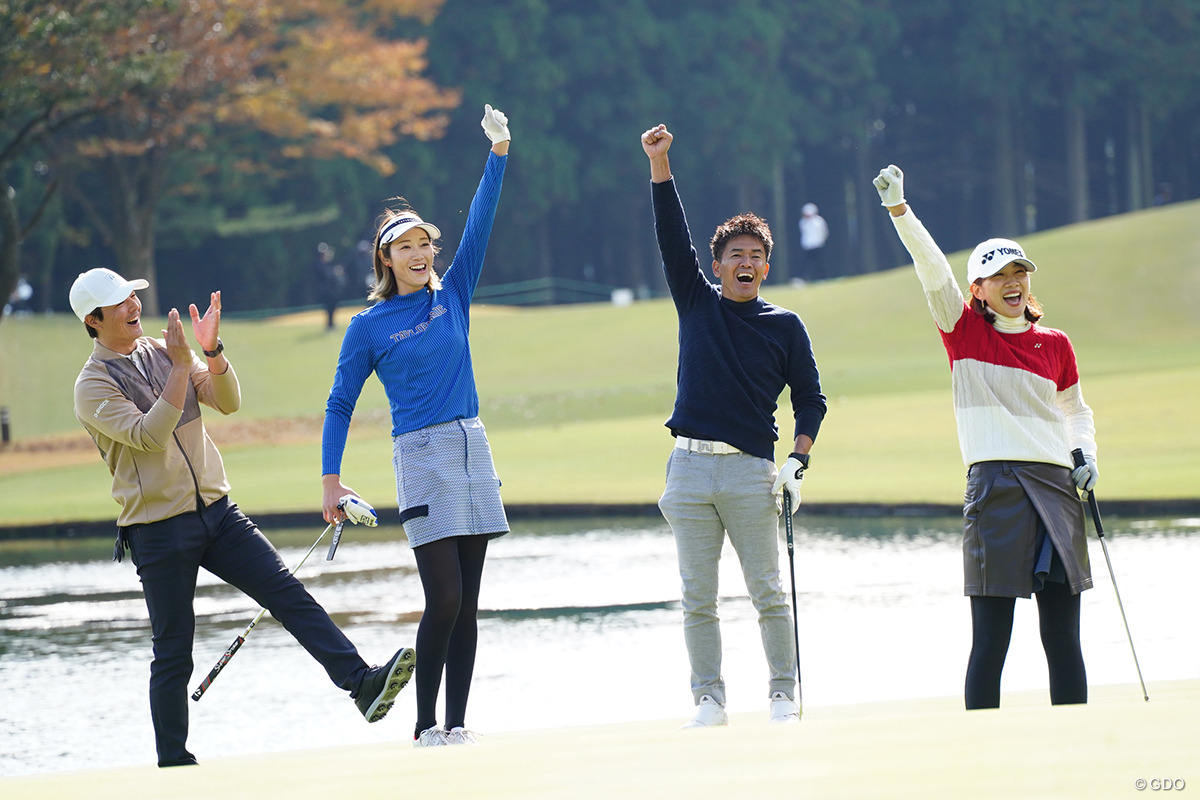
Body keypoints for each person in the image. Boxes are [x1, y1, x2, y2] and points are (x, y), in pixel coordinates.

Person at [69, 267, 415, 768]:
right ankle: (174, 761)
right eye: (119, 302)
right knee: (174, 651)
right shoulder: (93, 384)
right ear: (94, 320)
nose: (132, 306)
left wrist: (210, 353)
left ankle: (361, 684)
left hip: (218, 511)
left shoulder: (165, 351)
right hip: (157, 529)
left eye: (132, 296)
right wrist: (183, 367)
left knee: (287, 594)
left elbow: (228, 402)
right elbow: (149, 434)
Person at [321, 104, 512, 748]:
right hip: (422, 456)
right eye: (407, 246)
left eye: (426, 243)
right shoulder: (367, 326)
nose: (421, 252)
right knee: (445, 598)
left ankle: (457, 725)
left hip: (471, 445)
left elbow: (480, 224)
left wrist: (498, 154)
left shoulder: (452, 293)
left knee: (472, 599)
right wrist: (331, 480)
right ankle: (423, 723)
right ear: (386, 258)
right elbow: (340, 402)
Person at [872, 164, 1097, 709]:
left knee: (1063, 636)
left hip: (1057, 487)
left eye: (1020, 272)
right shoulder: (962, 328)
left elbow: (1076, 410)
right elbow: (932, 271)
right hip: (995, 485)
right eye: (1000, 276)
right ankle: (983, 747)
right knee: (992, 639)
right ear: (978, 289)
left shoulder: (1055, 343)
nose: (1014, 282)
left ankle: (1076, 743)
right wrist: (900, 210)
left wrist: (1086, 455)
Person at [641, 124, 827, 727]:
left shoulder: (785, 326)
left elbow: (811, 400)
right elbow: (673, 238)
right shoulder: (696, 302)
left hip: (751, 471)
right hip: (688, 470)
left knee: (767, 592)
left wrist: (797, 462)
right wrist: (660, 165)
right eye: (734, 256)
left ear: (766, 267)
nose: (745, 264)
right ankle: (710, 699)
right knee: (698, 597)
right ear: (717, 265)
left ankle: (780, 694)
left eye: (755, 257)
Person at [314, 242, 347, 330]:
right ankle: (330, 325)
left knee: (333, 307)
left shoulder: (327, 264)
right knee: (329, 308)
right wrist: (335, 272)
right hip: (326, 290)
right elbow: (326, 276)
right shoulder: (319, 265)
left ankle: (331, 324)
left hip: (331, 290)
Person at [797, 202, 829, 281]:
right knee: (805, 263)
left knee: (819, 263)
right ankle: (802, 278)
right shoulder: (803, 222)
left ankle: (822, 278)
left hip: (817, 245)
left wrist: (821, 241)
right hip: (807, 246)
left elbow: (824, 232)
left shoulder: (819, 221)